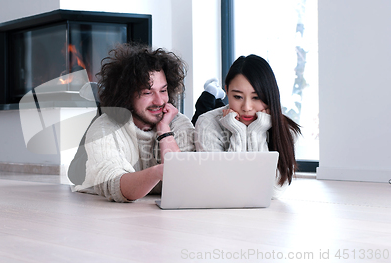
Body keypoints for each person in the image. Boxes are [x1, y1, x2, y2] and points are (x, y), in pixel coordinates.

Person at [73, 43, 195, 202]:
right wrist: (157, 172)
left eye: (163, 90)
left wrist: (164, 131)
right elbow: (114, 186)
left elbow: (183, 183)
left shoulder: (177, 123)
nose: (159, 101)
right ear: (127, 94)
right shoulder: (105, 128)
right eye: (147, 92)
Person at [193, 54, 301, 197]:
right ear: (227, 90)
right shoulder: (207, 123)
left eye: (256, 97)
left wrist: (256, 132)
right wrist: (238, 132)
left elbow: (273, 192)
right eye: (237, 97)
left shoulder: (286, 129)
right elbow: (221, 188)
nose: (247, 107)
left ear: (270, 96)